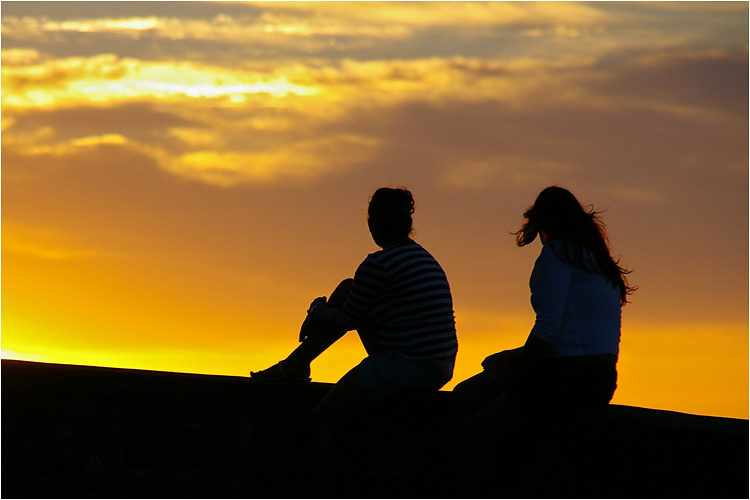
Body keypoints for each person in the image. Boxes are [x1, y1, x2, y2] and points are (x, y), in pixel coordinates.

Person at [251, 187, 458, 472]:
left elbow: (344, 321)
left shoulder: (378, 264)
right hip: (441, 363)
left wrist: (316, 310)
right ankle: (296, 363)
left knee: (320, 421)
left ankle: (296, 365)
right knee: (350, 288)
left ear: (373, 224)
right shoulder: (423, 258)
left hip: (409, 364)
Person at [452, 186, 635, 493]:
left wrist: (515, 373)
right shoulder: (597, 261)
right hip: (600, 379)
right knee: (497, 368)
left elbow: (548, 330)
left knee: (473, 423)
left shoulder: (557, 253)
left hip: (565, 375)